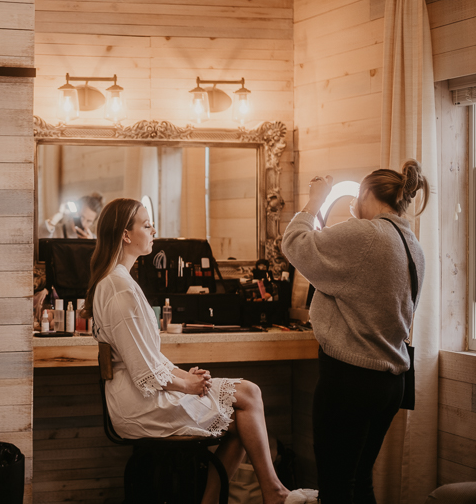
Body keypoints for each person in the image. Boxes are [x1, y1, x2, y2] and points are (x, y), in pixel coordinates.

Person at [82, 197, 292, 504]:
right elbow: (144, 370)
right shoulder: (119, 288)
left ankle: (265, 492)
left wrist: (184, 375)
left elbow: (149, 357)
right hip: (139, 405)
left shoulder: (118, 282)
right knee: (249, 396)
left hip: (142, 394)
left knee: (247, 403)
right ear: (126, 234)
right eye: (146, 224)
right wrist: (185, 385)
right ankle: (271, 492)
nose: (153, 230)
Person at [281, 160, 429, 504]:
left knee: (335, 486)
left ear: (365, 192)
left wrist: (315, 200)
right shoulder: (412, 244)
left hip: (351, 379)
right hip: (391, 381)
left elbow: (295, 244)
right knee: (359, 480)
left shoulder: (366, 235)